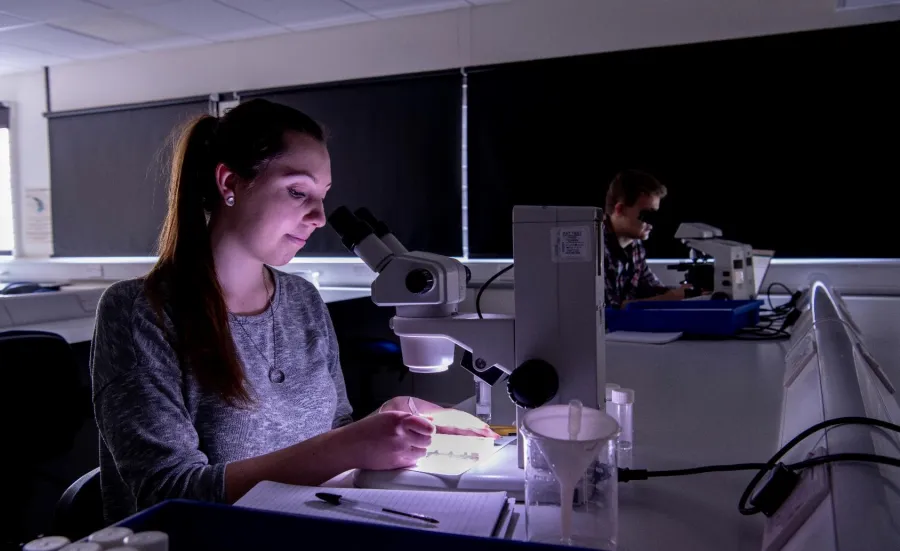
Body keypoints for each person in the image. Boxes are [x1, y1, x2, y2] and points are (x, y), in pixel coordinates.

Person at [91, 99, 495, 523]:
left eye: (322, 196)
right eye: (298, 191)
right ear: (229, 183)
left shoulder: (302, 300)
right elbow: (166, 494)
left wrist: (392, 415)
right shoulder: (139, 312)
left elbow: (329, 433)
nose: (319, 217)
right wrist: (350, 445)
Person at [603, 169, 691, 308]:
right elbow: (609, 310)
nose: (652, 224)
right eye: (646, 214)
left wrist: (688, 294)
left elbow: (652, 288)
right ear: (620, 209)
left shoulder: (635, 246)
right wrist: (669, 299)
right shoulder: (595, 248)